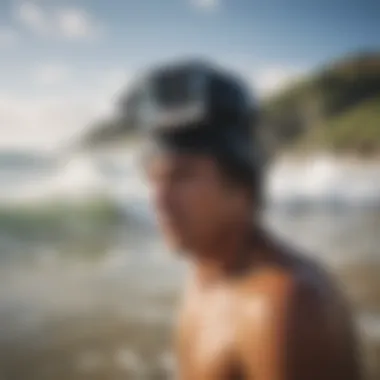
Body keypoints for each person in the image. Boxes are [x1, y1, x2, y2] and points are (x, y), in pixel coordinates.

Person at [135, 61, 362, 380]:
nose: (158, 200)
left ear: (241, 185)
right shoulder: (206, 273)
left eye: (182, 176)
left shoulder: (282, 307)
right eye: (153, 179)